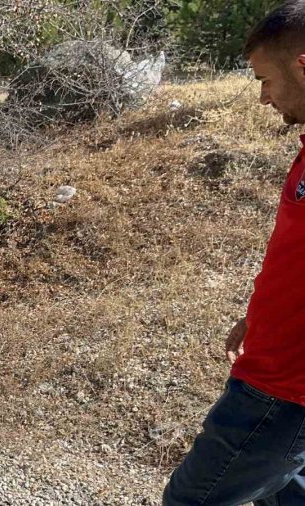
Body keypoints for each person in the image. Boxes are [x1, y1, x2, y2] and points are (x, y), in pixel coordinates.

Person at [163, 2, 305, 504]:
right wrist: (258, 317)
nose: (264, 98)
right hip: (279, 372)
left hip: (281, 391)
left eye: (265, 79)